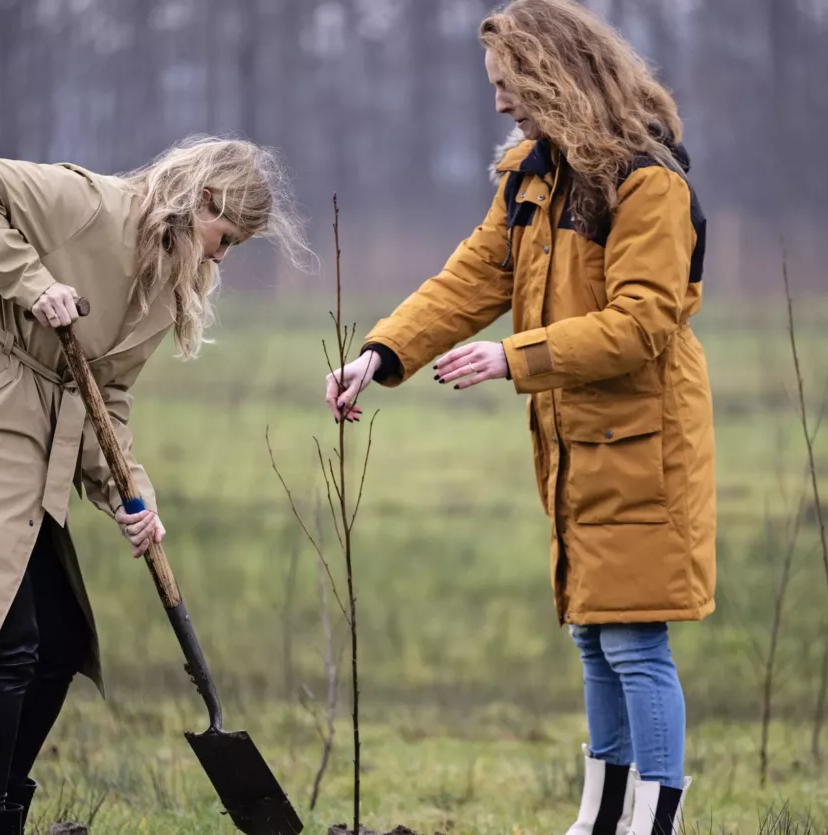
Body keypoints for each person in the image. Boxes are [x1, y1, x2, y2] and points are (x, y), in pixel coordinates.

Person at [323, 1, 713, 832]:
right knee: (592, 633)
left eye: (510, 84)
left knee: (635, 643)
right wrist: (381, 354)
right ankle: (600, 817)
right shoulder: (535, 176)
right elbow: (470, 279)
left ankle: (655, 820)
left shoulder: (648, 181)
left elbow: (644, 321)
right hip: (577, 443)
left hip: (645, 445)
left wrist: (513, 357)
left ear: (557, 74)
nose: (499, 103)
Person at [0, 135, 308, 834]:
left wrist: (136, 495)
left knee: (62, 640)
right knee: (9, 650)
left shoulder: (163, 285)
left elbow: (107, 401)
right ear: (203, 198)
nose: (221, 256)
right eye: (226, 237)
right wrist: (33, 284)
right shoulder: (89, 205)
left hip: (22, 450)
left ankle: (5, 802)